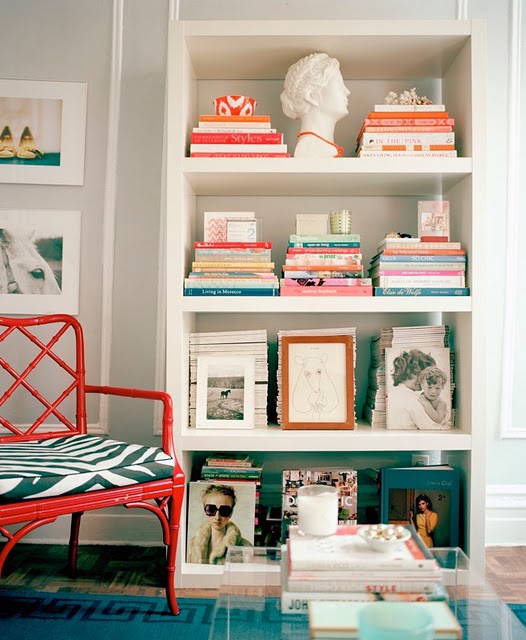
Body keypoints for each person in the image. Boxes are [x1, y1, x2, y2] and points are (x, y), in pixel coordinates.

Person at [280, 52, 350, 158]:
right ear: (311, 96)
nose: (347, 91)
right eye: (340, 85)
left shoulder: (326, 147)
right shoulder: (309, 147)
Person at [186, 484, 251, 564]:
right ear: (205, 510)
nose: (217, 517)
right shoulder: (191, 546)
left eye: (224, 510)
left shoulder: (245, 548)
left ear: (231, 513)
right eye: (211, 509)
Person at [387, 349, 449, 430]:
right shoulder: (415, 400)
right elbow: (434, 428)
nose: (425, 380)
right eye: (421, 375)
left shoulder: (392, 392)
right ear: (409, 373)